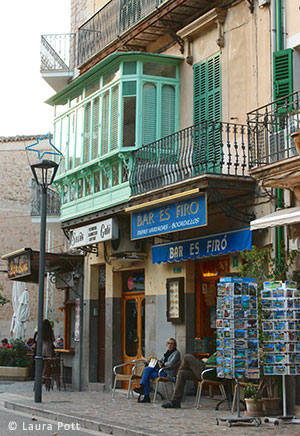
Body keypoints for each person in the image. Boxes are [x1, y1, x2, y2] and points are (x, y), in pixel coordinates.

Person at [134, 338, 181, 403]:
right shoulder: (167, 353)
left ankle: (143, 388)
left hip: (167, 373)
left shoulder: (176, 353)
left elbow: (170, 364)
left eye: (171, 343)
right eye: (168, 343)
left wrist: (160, 364)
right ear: (166, 345)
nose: (170, 345)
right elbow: (160, 360)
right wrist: (152, 361)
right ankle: (145, 395)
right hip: (161, 371)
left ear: (174, 345)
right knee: (147, 371)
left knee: (147, 372)